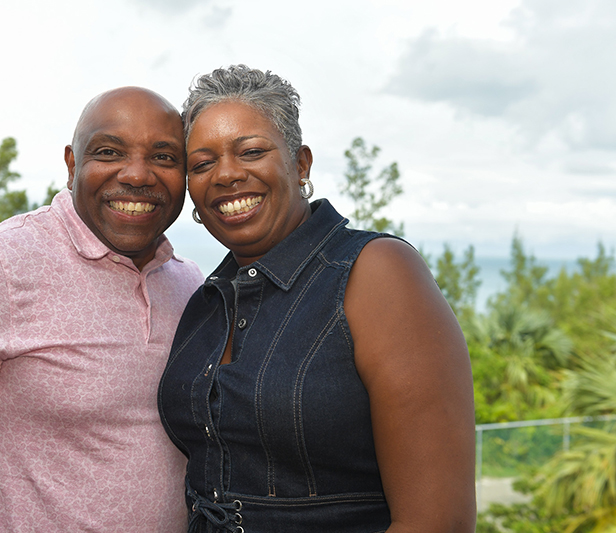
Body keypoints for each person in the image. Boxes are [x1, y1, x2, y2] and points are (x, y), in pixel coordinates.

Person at [0, 87, 204, 532]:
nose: (137, 174)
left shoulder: (190, 284)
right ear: (71, 164)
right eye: (109, 151)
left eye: (163, 157)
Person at [157, 65, 477, 532]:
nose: (226, 174)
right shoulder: (207, 300)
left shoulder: (375, 272)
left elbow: (439, 521)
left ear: (301, 163)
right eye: (203, 164)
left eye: (251, 151)